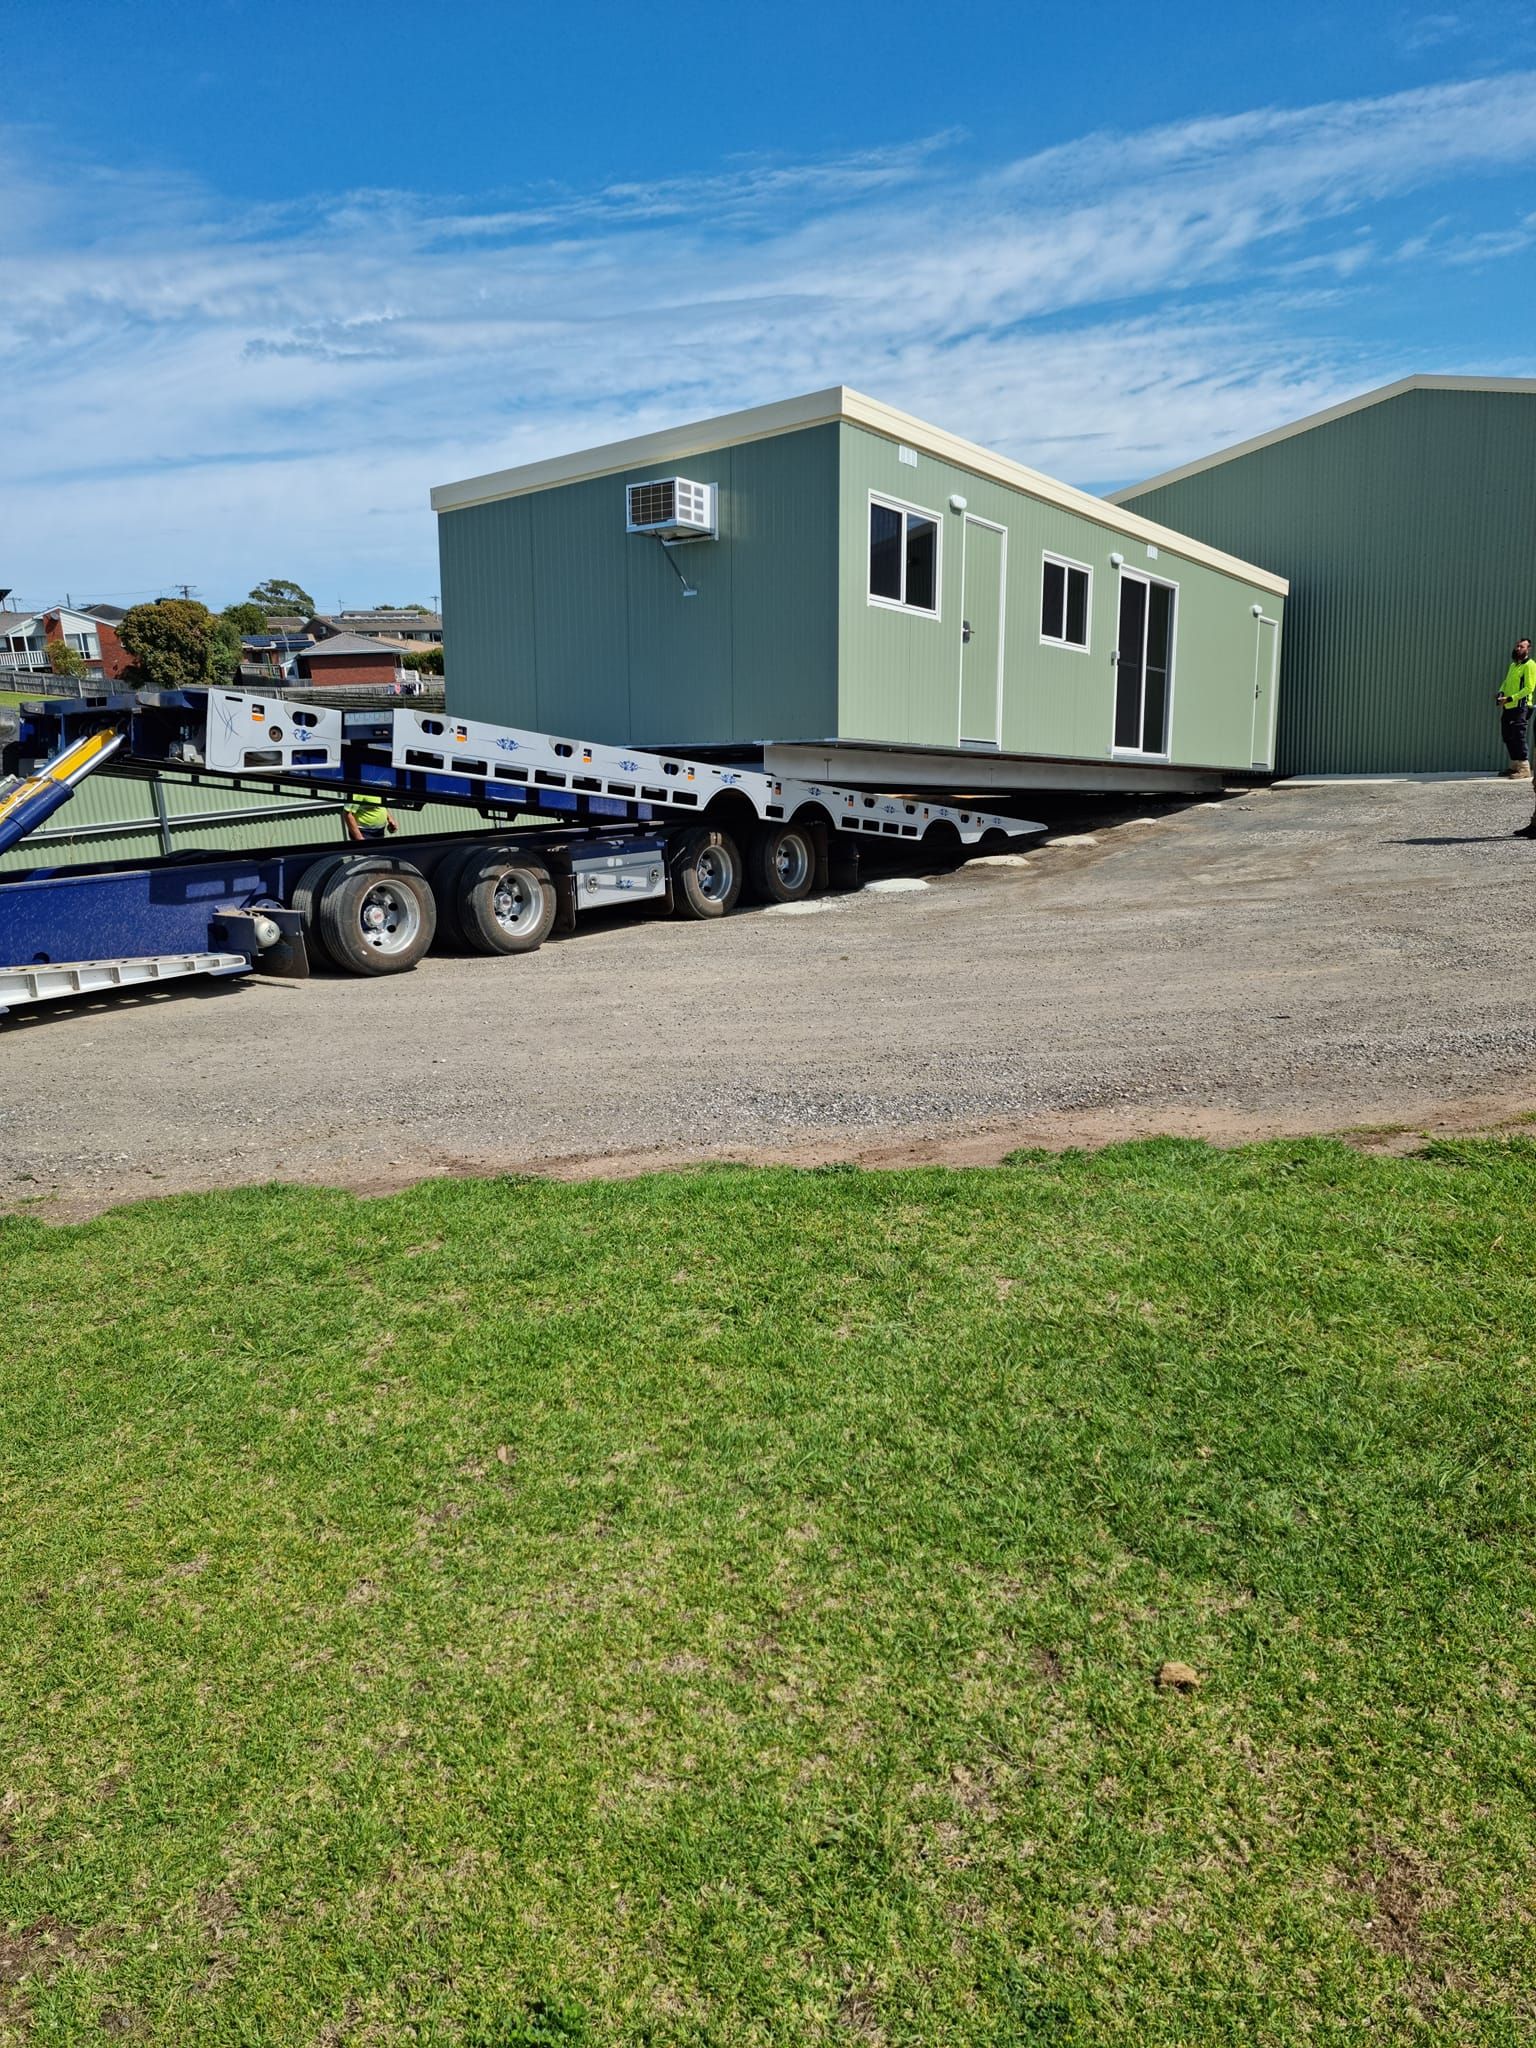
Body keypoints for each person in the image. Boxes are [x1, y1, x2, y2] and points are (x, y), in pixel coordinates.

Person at [1495, 637, 1536, 780]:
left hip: (1521, 706)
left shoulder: (1530, 665)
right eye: (1517, 646)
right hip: (1509, 706)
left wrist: (1511, 698)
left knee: (1518, 736)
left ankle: (1524, 768)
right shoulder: (1513, 665)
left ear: (1528, 649)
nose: (1518, 649)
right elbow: (1506, 682)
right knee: (1507, 735)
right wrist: (1501, 693)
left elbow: (1529, 688)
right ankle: (1514, 766)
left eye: (1522, 647)